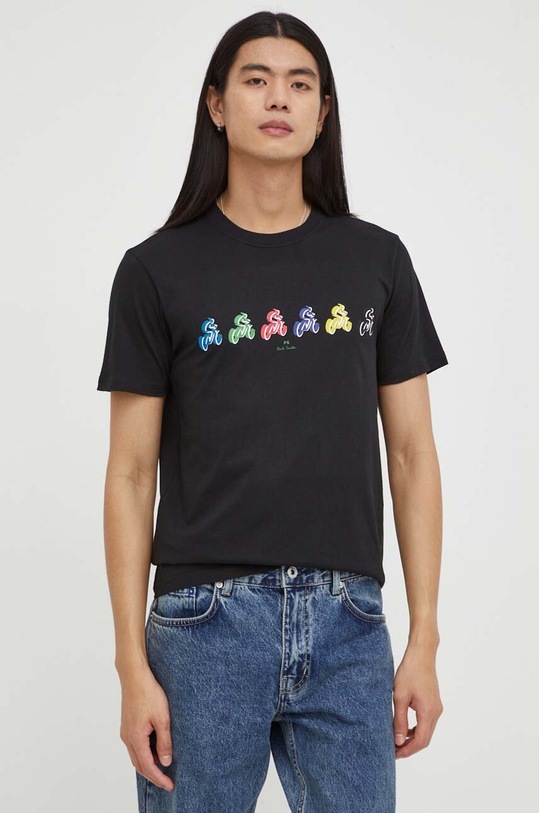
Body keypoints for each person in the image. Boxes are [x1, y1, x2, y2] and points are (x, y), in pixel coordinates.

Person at [97, 11, 448, 813]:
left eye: (299, 84)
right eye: (255, 80)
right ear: (217, 104)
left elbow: (412, 454)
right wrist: (130, 666)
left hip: (350, 622)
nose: (277, 98)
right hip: (204, 625)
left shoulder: (376, 260)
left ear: (323, 112)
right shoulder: (155, 270)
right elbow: (129, 472)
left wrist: (423, 636)